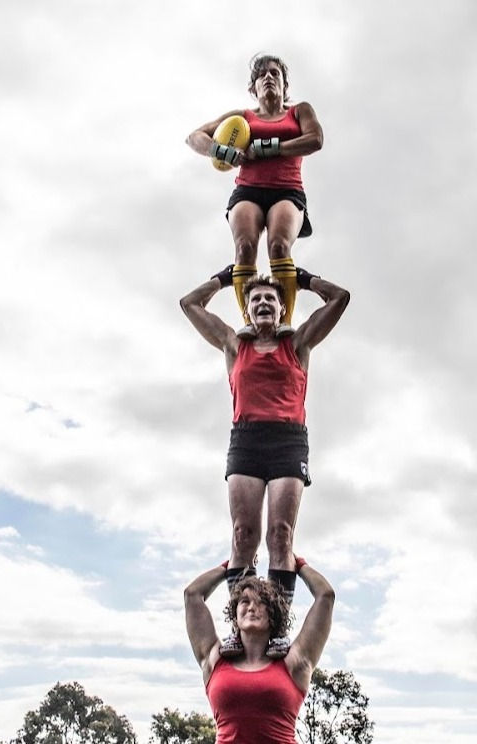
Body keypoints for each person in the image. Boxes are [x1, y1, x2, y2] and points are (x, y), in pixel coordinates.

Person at [180, 267, 348, 655]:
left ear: (281, 308)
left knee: (280, 536)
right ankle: (239, 631)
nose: (262, 304)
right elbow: (189, 304)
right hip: (247, 438)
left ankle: (276, 630)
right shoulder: (232, 346)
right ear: (248, 311)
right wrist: (226, 278)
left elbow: (339, 298)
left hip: (288, 440)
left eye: (270, 299)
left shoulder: (299, 343)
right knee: (243, 536)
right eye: (255, 300)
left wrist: (301, 279)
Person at [186, 53, 324, 337]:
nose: (269, 78)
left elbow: (315, 140)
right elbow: (195, 136)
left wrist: (270, 148)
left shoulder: (299, 111)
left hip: (287, 189)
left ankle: (282, 323)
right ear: (254, 89)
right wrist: (220, 151)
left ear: (285, 85)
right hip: (248, 189)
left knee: (278, 246)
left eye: (276, 73)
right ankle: (252, 324)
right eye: (263, 75)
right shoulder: (242, 118)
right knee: (245, 248)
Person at [184, 556, 333, 743]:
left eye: (261, 601)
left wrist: (298, 563)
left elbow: (325, 595)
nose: (252, 607)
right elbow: (192, 594)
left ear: (274, 614)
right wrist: (228, 567)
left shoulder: (294, 663)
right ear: (235, 613)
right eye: (245, 601)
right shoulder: (215, 660)